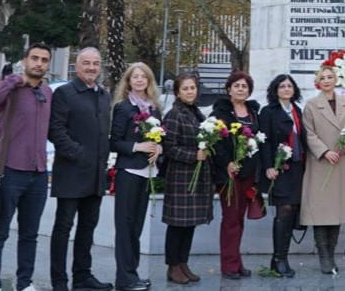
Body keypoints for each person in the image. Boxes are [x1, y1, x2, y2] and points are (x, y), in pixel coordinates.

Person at [0, 43, 53, 291]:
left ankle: (25, 284)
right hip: (9, 171)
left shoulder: (47, 92)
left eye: (44, 60)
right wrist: (13, 80)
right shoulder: (12, 88)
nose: (39, 63)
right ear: (25, 60)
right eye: (34, 58)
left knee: (29, 235)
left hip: (38, 175)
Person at [49, 48, 112, 291]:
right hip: (71, 173)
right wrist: (77, 153)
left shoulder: (104, 96)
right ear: (77, 65)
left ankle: (82, 276)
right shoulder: (65, 93)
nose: (91, 67)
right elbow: (56, 130)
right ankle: (59, 281)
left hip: (96, 175)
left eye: (96, 63)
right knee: (63, 228)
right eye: (86, 63)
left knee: (88, 228)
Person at [110, 62, 163, 291]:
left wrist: (159, 149)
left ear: (149, 81)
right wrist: (138, 147)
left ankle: (133, 274)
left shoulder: (154, 109)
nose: (140, 80)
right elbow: (114, 142)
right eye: (135, 77)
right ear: (129, 81)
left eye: (144, 77)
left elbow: (161, 139)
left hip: (147, 173)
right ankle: (124, 278)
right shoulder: (123, 108)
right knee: (125, 225)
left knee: (137, 226)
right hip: (128, 172)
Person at [301, 65, 345, 274]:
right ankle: (324, 256)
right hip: (320, 164)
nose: (326, 80)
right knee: (321, 212)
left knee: (337, 211)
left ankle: (331, 254)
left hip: (341, 163)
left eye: (330, 77)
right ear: (318, 82)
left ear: (335, 80)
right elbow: (308, 133)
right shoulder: (311, 105)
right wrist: (324, 152)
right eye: (322, 77)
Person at [162, 73, 213, 285]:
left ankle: (183, 263)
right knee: (177, 225)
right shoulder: (174, 114)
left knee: (189, 224)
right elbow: (169, 147)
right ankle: (173, 266)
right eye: (185, 88)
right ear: (177, 92)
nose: (190, 92)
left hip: (196, 177)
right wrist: (194, 155)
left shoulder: (197, 113)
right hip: (181, 177)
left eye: (192, 88)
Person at [211, 71, 261, 279]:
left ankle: (237, 262)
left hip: (247, 173)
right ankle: (228, 266)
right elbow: (216, 141)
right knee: (230, 218)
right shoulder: (219, 112)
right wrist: (227, 163)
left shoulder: (253, 112)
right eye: (237, 85)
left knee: (240, 219)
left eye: (245, 86)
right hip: (228, 173)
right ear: (229, 88)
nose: (241, 89)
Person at [259, 74, 307, 278]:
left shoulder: (297, 110)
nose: (286, 89)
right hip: (279, 169)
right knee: (283, 212)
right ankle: (279, 259)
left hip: (297, 168)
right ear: (275, 90)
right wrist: (269, 166)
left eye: (290, 86)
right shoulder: (269, 111)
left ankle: (281, 257)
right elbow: (265, 141)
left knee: (292, 211)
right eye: (282, 86)